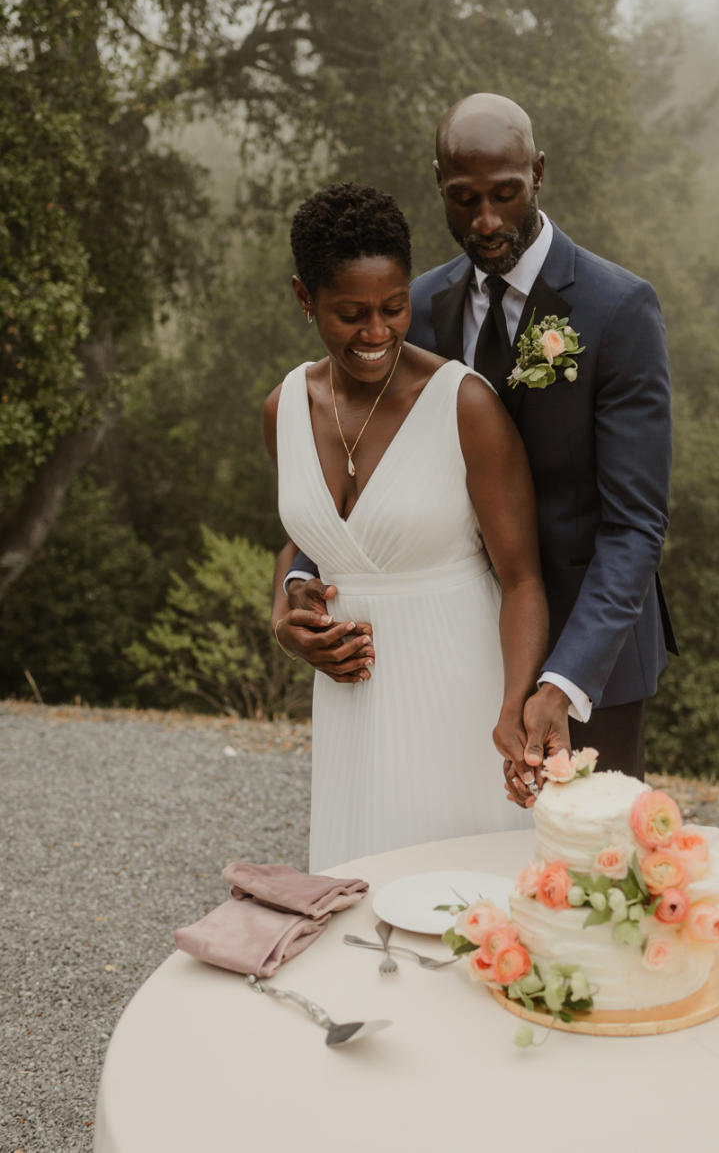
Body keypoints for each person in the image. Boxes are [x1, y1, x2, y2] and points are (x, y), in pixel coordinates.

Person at [278, 93, 677, 798]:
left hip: (587, 662)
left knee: (589, 874)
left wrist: (561, 679)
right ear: (438, 184)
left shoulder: (617, 310)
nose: (486, 221)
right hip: (446, 651)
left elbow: (634, 525)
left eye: (505, 195)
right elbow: (360, 460)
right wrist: (297, 581)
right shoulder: (414, 306)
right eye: (464, 200)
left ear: (539, 173)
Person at [265, 182, 547, 870]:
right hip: (351, 707)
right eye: (349, 314)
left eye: (393, 308)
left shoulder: (463, 404)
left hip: (460, 694)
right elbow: (307, 541)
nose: (376, 333)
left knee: (464, 902)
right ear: (305, 300)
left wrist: (514, 705)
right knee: (360, 900)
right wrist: (286, 616)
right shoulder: (283, 409)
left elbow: (522, 578)